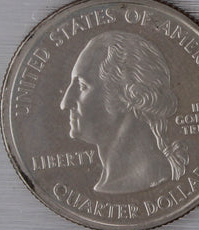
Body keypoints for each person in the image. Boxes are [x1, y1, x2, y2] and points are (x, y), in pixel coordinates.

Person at [60, 30, 188, 193]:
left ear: (128, 95)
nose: (64, 103)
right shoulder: (110, 181)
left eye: (82, 86)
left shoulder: (150, 177)